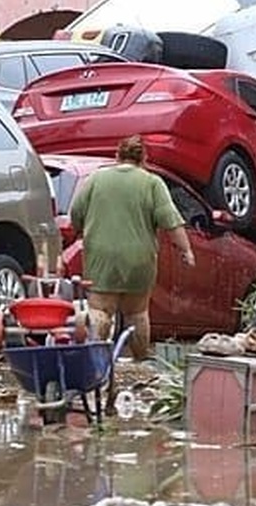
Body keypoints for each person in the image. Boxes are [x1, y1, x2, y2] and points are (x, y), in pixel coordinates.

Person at [68, 135, 194, 359]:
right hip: (139, 258)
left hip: (101, 257)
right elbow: (170, 220)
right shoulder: (152, 183)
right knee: (137, 313)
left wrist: (80, 230)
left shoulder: (96, 179)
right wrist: (186, 250)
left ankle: (97, 361)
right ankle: (140, 361)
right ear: (144, 158)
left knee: (100, 310)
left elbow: (76, 214)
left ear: (117, 156)